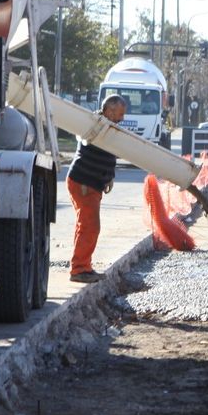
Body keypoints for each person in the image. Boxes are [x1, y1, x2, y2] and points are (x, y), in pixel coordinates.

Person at [65, 95, 128, 283]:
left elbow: (108, 154)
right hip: (84, 182)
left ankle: (83, 266)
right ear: (109, 111)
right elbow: (89, 142)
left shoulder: (107, 128)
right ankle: (79, 269)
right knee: (90, 226)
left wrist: (109, 177)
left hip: (90, 183)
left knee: (85, 225)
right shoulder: (95, 125)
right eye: (120, 114)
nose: (122, 118)